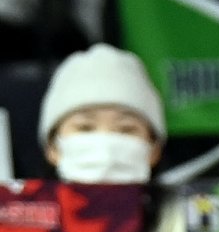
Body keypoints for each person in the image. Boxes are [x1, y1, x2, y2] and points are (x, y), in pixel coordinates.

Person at [38, 42, 165, 183]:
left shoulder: (180, 198)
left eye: (126, 129)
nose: (106, 147)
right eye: (85, 128)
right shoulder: (22, 198)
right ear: (52, 147)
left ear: (155, 150)